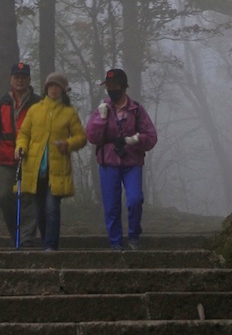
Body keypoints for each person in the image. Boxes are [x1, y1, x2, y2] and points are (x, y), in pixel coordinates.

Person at [85, 67, 158, 250]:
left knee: (134, 199)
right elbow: (92, 137)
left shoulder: (136, 110)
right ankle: (115, 242)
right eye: (108, 86)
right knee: (111, 206)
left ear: (124, 87)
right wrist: (101, 119)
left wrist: (136, 140)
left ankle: (133, 236)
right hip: (108, 162)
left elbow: (151, 137)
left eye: (115, 85)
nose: (111, 89)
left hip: (131, 162)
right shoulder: (103, 108)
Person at [14, 72, 87, 251]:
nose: (54, 90)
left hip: (58, 169)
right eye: (51, 86)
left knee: (52, 208)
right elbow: (24, 134)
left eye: (58, 87)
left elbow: (81, 137)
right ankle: (47, 240)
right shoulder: (35, 109)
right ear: (47, 88)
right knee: (39, 210)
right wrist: (20, 147)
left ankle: (50, 245)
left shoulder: (70, 113)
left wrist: (68, 144)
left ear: (63, 91)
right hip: (34, 167)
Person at [0, 61, 40, 247]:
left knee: (29, 198)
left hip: (31, 158)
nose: (20, 81)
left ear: (29, 80)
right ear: (11, 80)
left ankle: (27, 238)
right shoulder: (3, 103)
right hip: (7, 158)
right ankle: (17, 235)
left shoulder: (38, 103)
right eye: (16, 77)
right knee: (4, 196)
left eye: (23, 77)